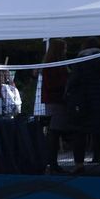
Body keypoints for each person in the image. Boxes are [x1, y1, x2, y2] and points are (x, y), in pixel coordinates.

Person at [40, 40, 73, 173]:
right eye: (64, 48)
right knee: (54, 132)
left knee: (55, 132)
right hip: (55, 102)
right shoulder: (52, 66)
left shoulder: (58, 65)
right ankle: (52, 163)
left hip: (58, 102)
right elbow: (52, 85)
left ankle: (52, 163)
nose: (65, 51)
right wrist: (67, 83)